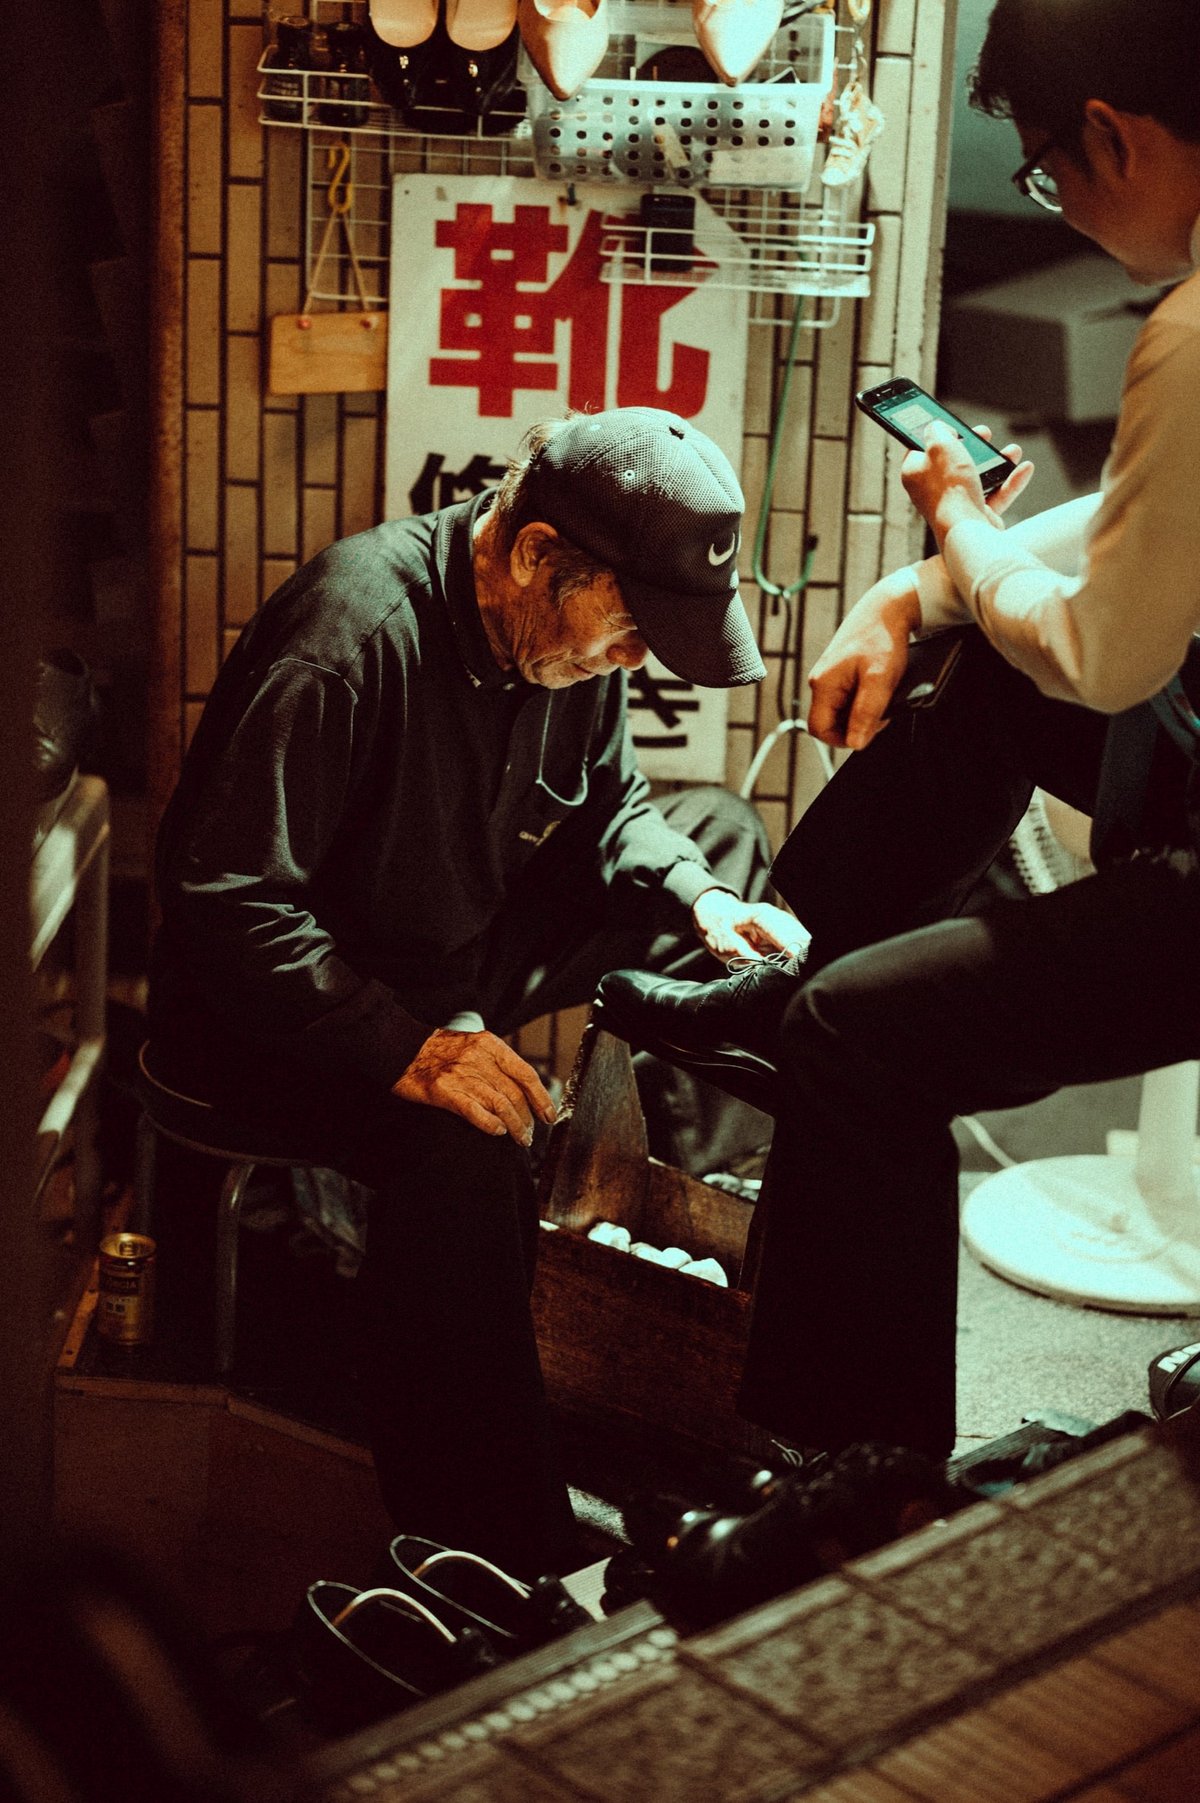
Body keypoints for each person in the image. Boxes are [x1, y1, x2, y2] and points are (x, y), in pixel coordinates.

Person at [597, 0, 1200, 1465]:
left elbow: (1104, 650)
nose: (1055, 199)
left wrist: (950, 529)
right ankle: (780, 949)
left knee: (857, 1041)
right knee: (983, 677)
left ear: (1111, 135)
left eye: (1050, 171)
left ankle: (854, 1486)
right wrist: (922, 584)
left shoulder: (1195, 332)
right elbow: (1146, 522)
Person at [149, 405, 806, 1578]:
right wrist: (408, 1047)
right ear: (539, 556)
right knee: (466, 1144)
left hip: (451, 949)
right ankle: (492, 1548)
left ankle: (640, 1254)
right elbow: (223, 898)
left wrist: (704, 900)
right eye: (626, 629)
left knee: (719, 832)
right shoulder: (352, 636)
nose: (633, 660)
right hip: (282, 1008)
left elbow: (613, 806)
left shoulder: (562, 640)